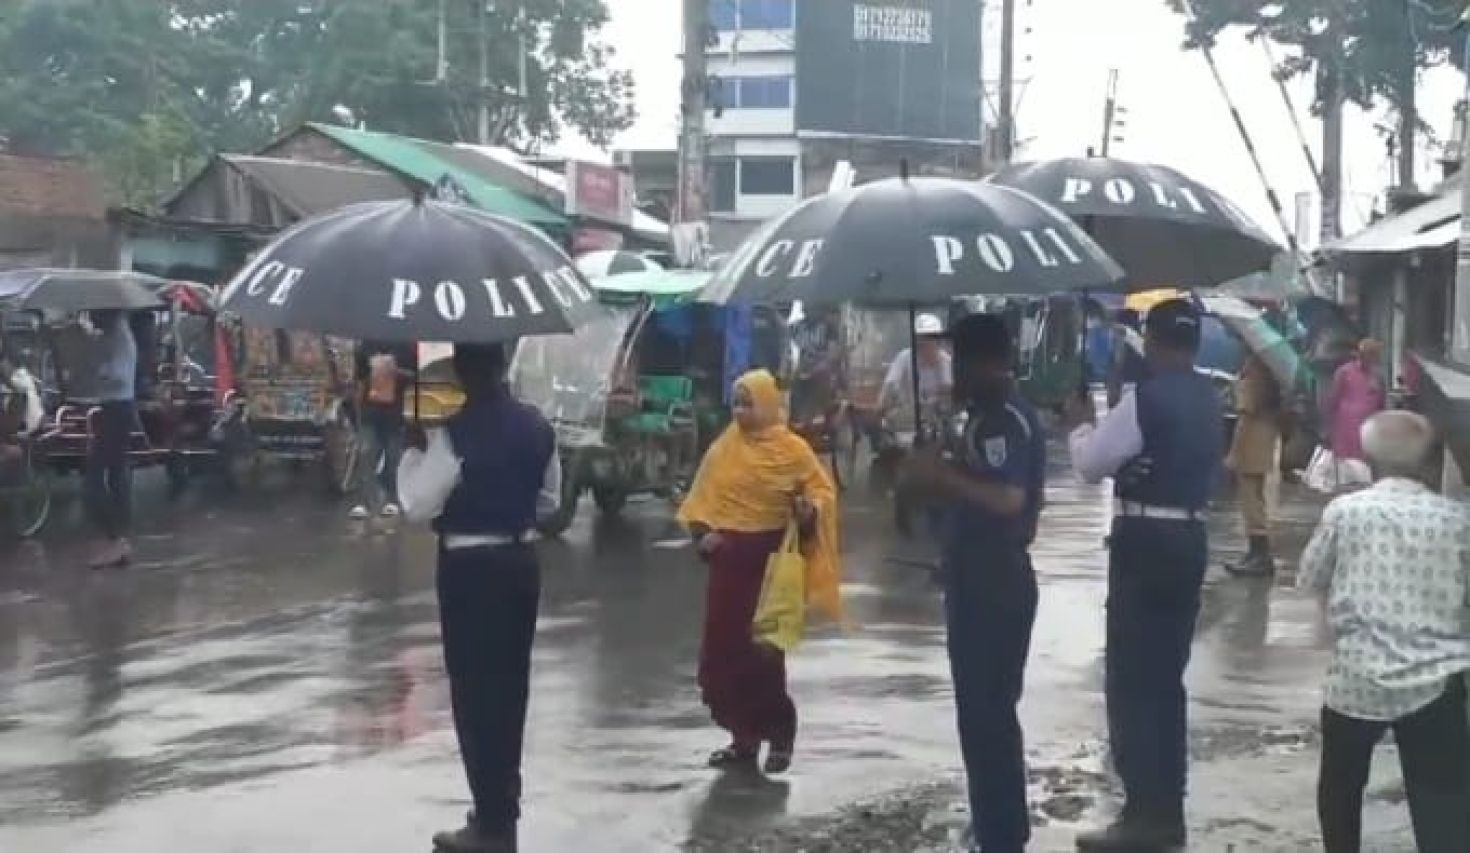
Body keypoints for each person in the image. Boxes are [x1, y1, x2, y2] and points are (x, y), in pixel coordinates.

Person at [1064, 298, 1224, 850]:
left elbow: (1089, 466)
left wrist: (1080, 426)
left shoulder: (1145, 400)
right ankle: (1166, 809)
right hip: (1189, 538)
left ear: (1152, 342)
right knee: (1166, 682)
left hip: (1143, 541)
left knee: (1132, 683)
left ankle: (1142, 817)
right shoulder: (1210, 397)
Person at [396, 343, 561, 853]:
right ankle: (500, 815)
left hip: (470, 569)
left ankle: (489, 824)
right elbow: (550, 501)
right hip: (521, 565)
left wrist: (413, 450)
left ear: (464, 374)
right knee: (512, 692)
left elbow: (418, 505)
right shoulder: (537, 425)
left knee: (474, 696)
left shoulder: (451, 432)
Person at [902, 314, 1045, 853]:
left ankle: (1001, 835)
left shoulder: (1004, 417)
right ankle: (995, 822)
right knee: (982, 714)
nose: (952, 371)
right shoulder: (979, 416)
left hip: (995, 581)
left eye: (959, 360)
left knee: (987, 716)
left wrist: (943, 477)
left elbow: (1009, 499)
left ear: (986, 362)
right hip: (974, 575)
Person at [1296, 411, 1470, 853]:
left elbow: (1311, 576)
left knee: (1340, 784)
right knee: (1441, 797)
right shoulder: (1457, 521)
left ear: (1370, 461)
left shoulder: (1345, 512)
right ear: (1429, 463)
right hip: (1436, 681)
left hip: (1356, 678)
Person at [677, 369, 840, 775]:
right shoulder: (724, 449)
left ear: (767, 404)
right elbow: (701, 501)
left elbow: (820, 493)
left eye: (748, 403)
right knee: (722, 655)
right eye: (736, 402)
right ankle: (743, 739)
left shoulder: (794, 451)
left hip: (772, 563)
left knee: (764, 655)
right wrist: (704, 536)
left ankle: (780, 736)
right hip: (729, 564)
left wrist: (808, 513)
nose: (741, 411)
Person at [83, 310, 139, 569]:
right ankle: (118, 543)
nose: (90, 318)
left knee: (95, 476)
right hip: (115, 408)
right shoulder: (113, 335)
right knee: (116, 474)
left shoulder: (120, 336)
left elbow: (117, 374)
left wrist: (100, 368)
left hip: (118, 408)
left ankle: (115, 539)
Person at [1223, 354, 1282, 576]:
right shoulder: (1270, 378)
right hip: (1264, 441)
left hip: (1251, 443)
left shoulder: (1253, 376)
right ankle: (1255, 553)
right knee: (1256, 499)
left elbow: (1244, 417)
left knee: (1250, 502)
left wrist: (1234, 452)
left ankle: (1259, 555)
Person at [350, 341, 413, 520]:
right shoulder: (365, 347)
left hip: (396, 412)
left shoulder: (404, 347)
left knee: (393, 455)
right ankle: (364, 501)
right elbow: (360, 380)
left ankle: (392, 499)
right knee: (366, 453)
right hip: (370, 410)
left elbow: (415, 376)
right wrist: (358, 409)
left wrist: (396, 371)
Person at [877, 312, 953, 426]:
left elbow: (951, 393)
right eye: (921, 339)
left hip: (939, 418)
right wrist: (882, 407)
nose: (924, 343)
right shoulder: (904, 358)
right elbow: (889, 386)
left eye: (930, 338)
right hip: (910, 416)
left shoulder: (947, 362)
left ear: (938, 341)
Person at [1325, 338, 1385, 464]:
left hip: (1367, 426)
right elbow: (1333, 399)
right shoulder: (1344, 372)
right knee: (1345, 463)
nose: (1370, 359)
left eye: (1373, 356)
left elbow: (1381, 404)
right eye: (1367, 355)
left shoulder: (1377, 376)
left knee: (1363, 463)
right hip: (1346, 426)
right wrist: (1330, 428)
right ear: (1360, 355)